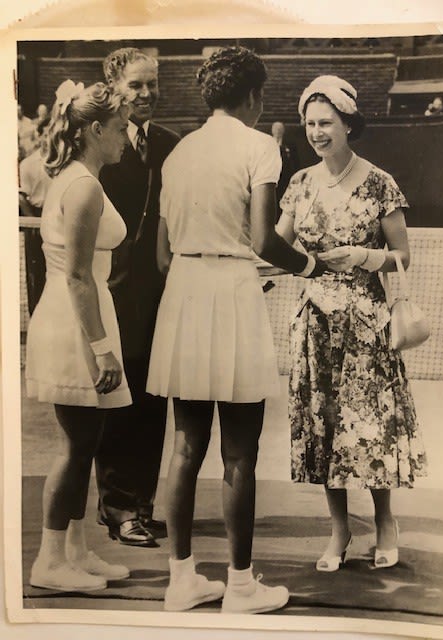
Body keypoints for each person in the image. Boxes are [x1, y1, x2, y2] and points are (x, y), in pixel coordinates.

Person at [146, 46, 325, 614]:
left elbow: (161, 256)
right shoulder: (260, 146)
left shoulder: (178, 153)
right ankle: (241, 587)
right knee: (240, 454)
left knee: (185, 446)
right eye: (263, 97)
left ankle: (182, 581)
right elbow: (264, 241)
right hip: (231, 296)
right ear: (251, 97)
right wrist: (310, 266)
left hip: (185, 295)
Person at [276, 75, 427, 573]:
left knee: (371, 427)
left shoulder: (379, 181)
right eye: (310, 123)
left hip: (366, 324)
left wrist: (362, 256)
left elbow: (402, 255)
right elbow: (275, 247)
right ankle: (339, 529)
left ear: (347, 124)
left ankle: (385, 523)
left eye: (326, 123)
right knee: (325, 426)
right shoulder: (299, 182)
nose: (317, 132)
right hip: (315, 324)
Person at [25, 79, 132, 592]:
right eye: (118, 129)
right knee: (74, 446)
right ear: (93, 129)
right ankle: (49, 561)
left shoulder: (76, 176)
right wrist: (101, 348)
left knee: (85, 442)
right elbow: (77, 277)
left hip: (74, 315)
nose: (125, 139)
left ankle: (76, 550)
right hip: (74, 322)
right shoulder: (84, 185)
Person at [95, 47, 180, 547]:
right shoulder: (100, 143)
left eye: (152, 84)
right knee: (116, 406)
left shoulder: (171, 143)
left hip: (163, 297)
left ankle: (141, 505)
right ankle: (117, 508)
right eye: (136, 85)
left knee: (152, 402)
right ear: (113, 86)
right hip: (112, 295)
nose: (146, 94)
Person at [19, 116, 52, 314]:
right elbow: (22, 198)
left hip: (58, 218)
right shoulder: (28, 164)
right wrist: (37, 223)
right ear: (39, 135)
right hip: (36, 220)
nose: (50, 138)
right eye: (46, 133)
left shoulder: (65, 160)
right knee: (37, 272)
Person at [271, 121, 298, 215]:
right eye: (276, 129)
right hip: (272, 177)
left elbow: (295, 162)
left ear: (283, 131)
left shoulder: (290, 145)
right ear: (272, 131)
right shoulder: (267, 144)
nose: (278, 131)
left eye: (280, 129)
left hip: (286, 178)